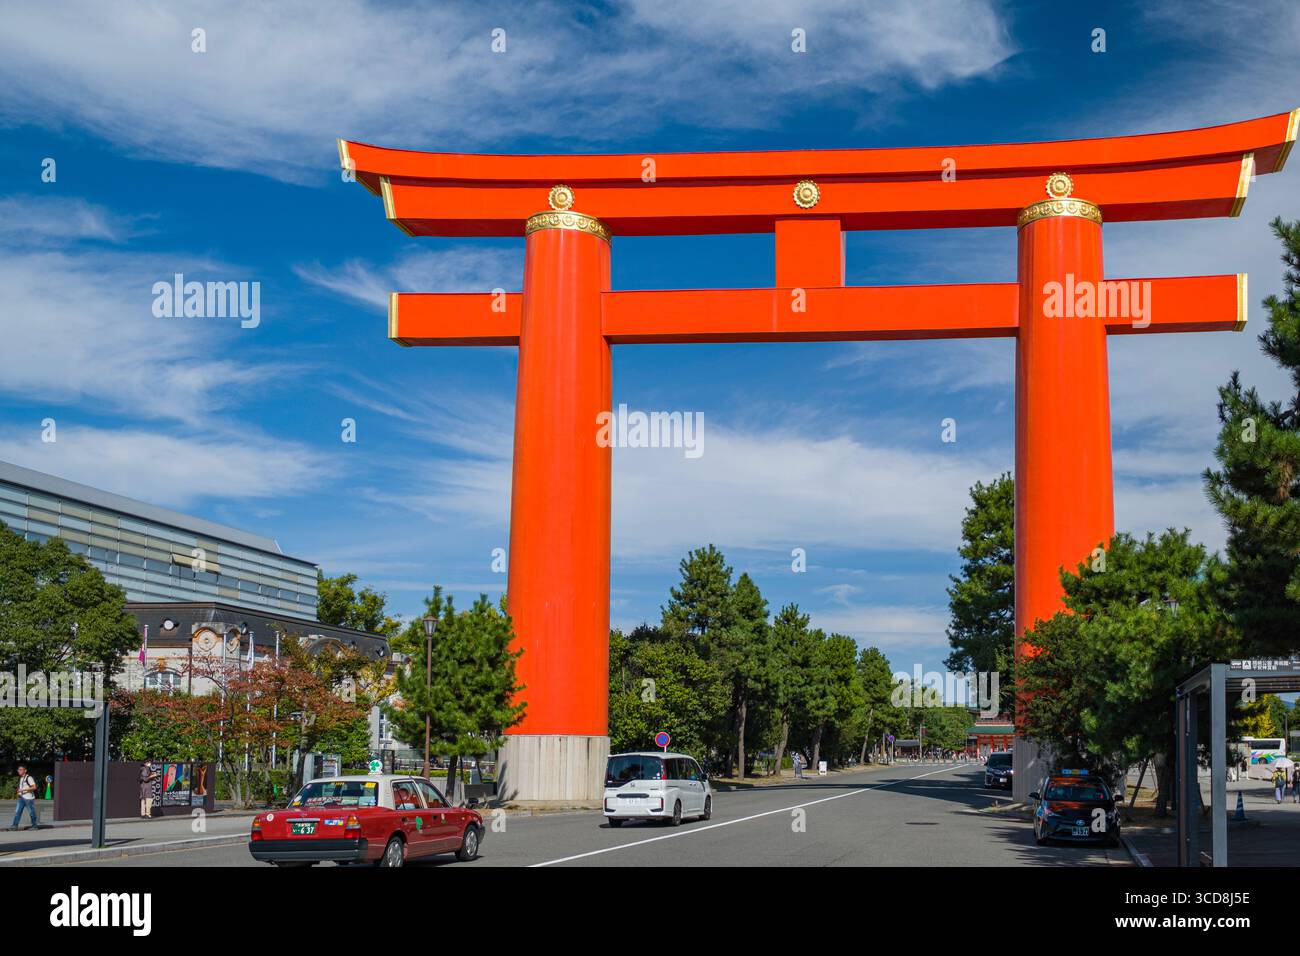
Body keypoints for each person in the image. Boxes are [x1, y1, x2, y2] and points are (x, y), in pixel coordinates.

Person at [8, 765, 39, 830]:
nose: (19, 771)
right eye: (18, 770)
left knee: (31, 812)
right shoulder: (21, 778)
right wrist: (19, 792)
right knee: (17, 812)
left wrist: (22, 790)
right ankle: (14, 826)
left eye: (21, 769)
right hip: (21, 798)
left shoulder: (29, 778)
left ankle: (34, 825)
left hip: (28, 798)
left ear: (25, 770)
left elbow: (34, 787)